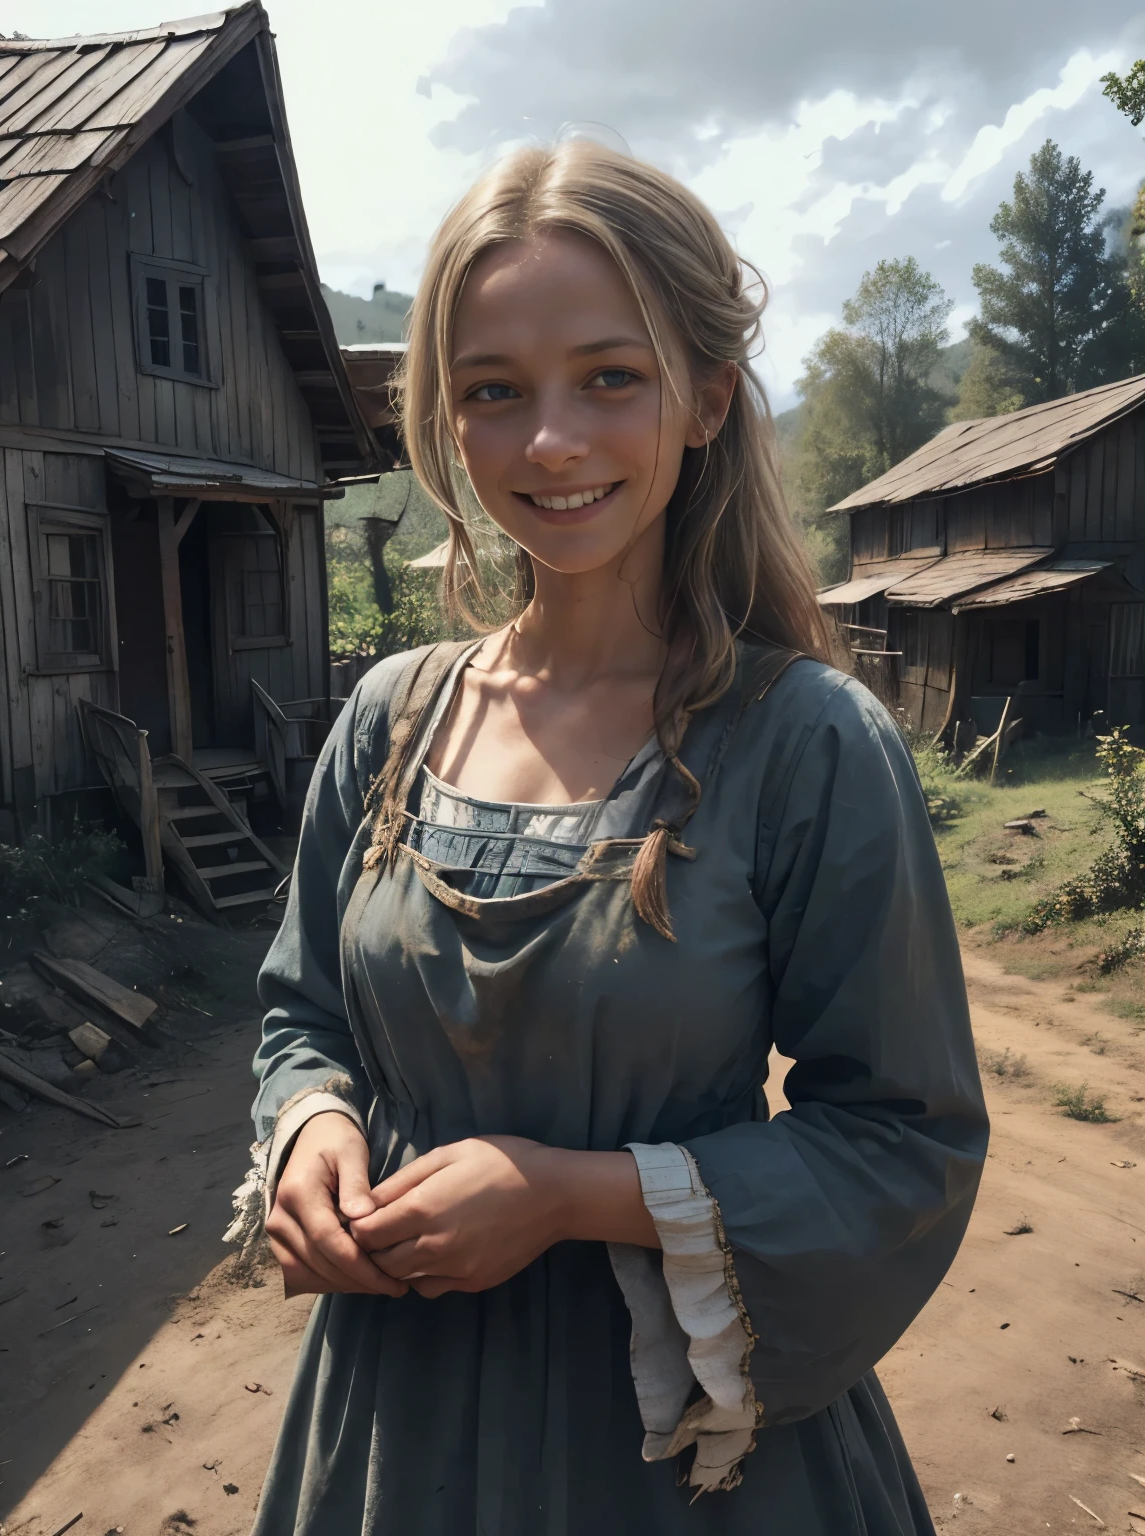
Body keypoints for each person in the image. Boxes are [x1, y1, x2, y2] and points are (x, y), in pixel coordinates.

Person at [228, 139, 988, 1536]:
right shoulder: (387, 722)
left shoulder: (808, 744)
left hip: (679, 1458)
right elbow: (304, 1014)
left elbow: (903, 1143)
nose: (550, 441)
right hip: (393, 1438)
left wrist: (567, 1195)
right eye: (494, 392)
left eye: (609, 378)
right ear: (446, 424)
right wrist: (313, 1129)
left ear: (703, 399)